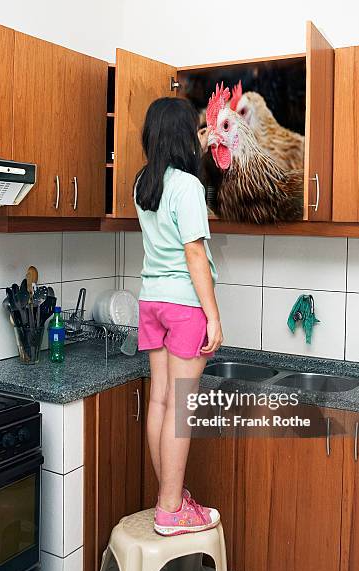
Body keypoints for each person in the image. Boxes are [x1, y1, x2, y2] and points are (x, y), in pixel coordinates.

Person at [134, 97, 223, 536]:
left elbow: (172, 185)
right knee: (181, 406)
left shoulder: (142, 184)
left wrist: (197, 151)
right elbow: (194, 254)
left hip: (150, 300)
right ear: (183, 136)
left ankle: (170, 497)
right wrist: (214, 316)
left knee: (160, 400)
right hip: (185, 305)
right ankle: (172, 509)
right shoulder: (188, 187)